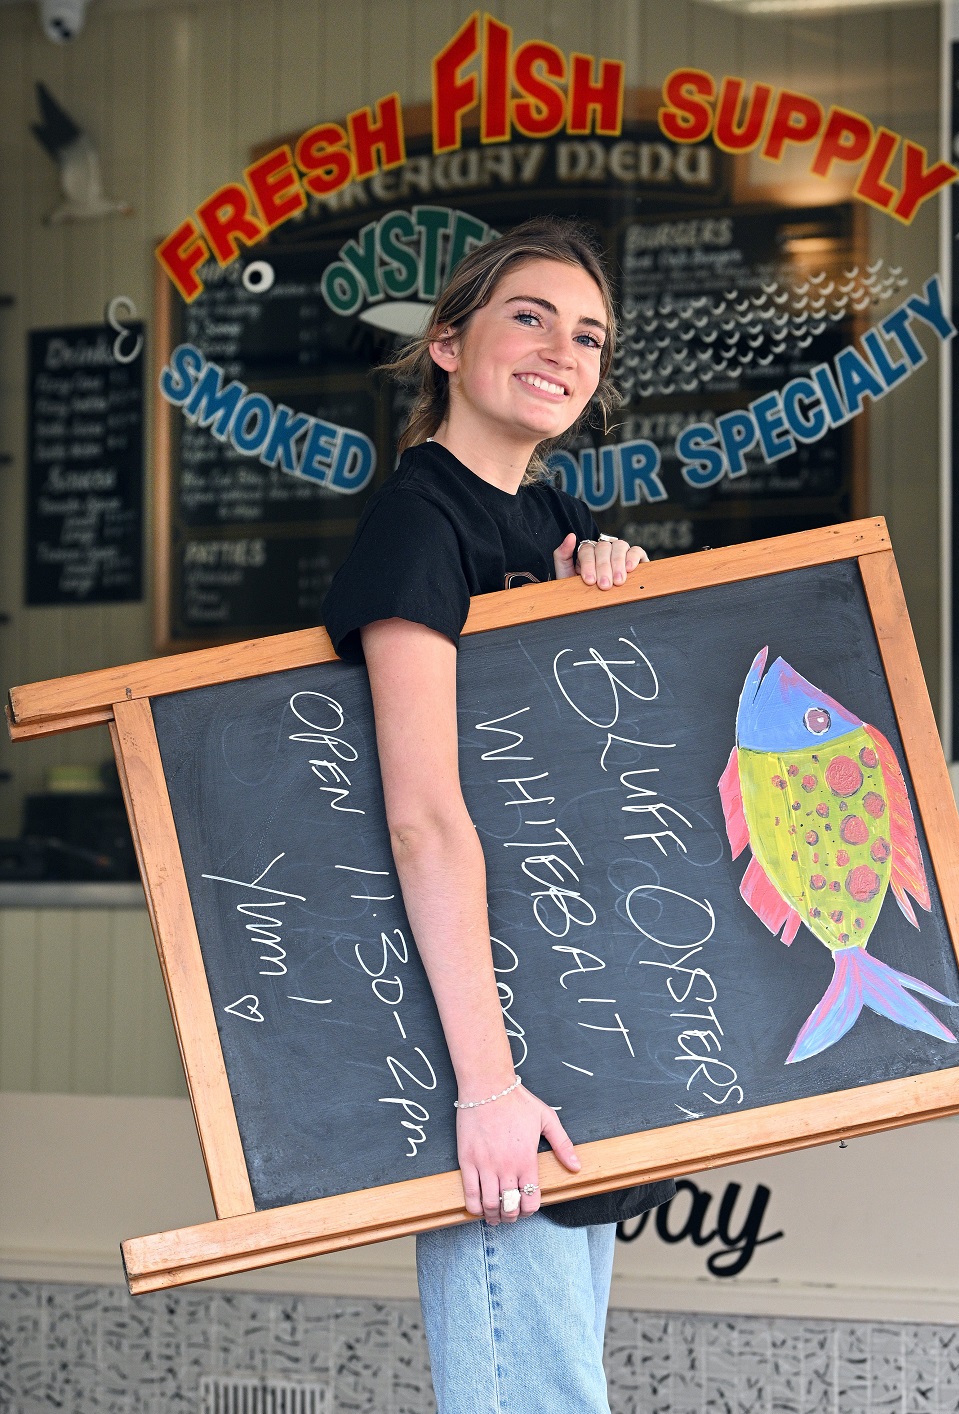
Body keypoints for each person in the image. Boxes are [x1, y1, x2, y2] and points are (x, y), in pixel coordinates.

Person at [322, 217, 676, 1413]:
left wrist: (607, 587)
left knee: (558, 1387)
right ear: (446, 343)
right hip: (488, 1061)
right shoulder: (422, 524)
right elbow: (422, 816)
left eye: (589, 335)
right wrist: (487, 1088)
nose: (562, 350)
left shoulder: (551, 523)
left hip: (570, 1035)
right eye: (529, 316)